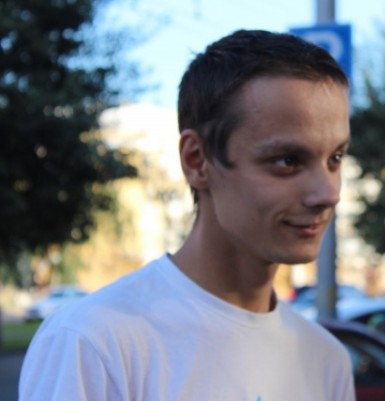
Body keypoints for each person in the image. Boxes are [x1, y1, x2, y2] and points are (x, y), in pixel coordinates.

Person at [19, 29, 355, 401]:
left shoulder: (327, 360)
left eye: (335, 158)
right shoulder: (95, 344)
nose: (328, 193)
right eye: (288, 161)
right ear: (196, 160)